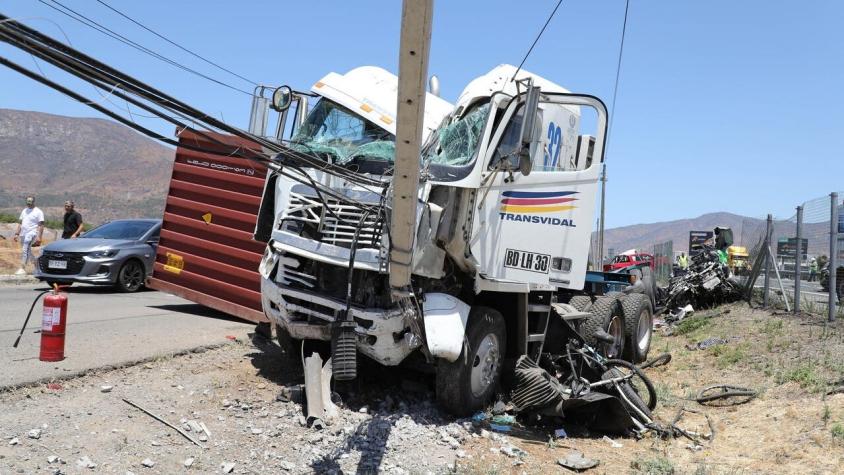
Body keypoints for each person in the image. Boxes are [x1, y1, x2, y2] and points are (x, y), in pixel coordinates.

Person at [12, 196, 44, 275]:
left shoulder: (38, 212)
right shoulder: (24, 211)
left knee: (25, 249)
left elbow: (41, 225)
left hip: (32, 233)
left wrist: (39, 237)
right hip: (23, 233)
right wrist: (16, 234)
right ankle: (37, 265)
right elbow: (20, 223)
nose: (29, 204)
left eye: (30, 203)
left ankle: (22, 268)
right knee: (27, 251)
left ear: (33, 202)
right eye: (27, 203)